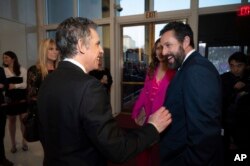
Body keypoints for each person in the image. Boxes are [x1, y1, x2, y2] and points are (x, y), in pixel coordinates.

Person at [37, 17, 172, 166]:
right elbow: (118, 149)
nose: (101, 50)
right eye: (97, 44)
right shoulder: (89, 87)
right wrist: (153, 127)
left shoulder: (48, 80)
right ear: (81, 46)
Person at [159, 21, 223, 166]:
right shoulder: (187, 67)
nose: (163, 52)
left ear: (186, 41)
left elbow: (204, 134)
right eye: (163, 47)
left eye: (168, 45)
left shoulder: (196, 70)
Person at [131, 38, 175, 166]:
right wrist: (138, 111)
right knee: (145, 148)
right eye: (158, 48)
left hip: (164, 116)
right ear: (155, 52)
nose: (160, 51)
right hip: (148, 115)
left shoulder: (174, 72)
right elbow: (144, 93)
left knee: (161, 151)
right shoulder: (151, 70)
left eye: (163, 47)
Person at [220, 52, 250, 160]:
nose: (235, 69)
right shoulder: (224, 79)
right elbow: (220, 100)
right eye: (232, 66)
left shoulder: (248, 80)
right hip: (226, 124)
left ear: (246, 66)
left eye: (239, 65)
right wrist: (234, 90)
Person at [2, 51, 28, 153]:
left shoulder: (22, 69)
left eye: (7, 57)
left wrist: (14, 86)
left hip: (22, 99)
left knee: (23, 121)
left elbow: (25, 85)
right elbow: (3, 86)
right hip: (9, 100)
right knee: (11, 121)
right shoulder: (3, 71)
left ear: (13, 58)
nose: (5, 60)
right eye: (4, 58)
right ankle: (13, 144)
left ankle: (24, 141)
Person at [27, 38, 59, 115]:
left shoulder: (61, 69)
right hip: (42, 112)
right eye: (51, 49)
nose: (55, 52)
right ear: (44, 51)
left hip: (59, 110)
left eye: (57, 49)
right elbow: (31, 95)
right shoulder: (35, 70)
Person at [0, 67, 14, 166]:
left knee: (0, 134)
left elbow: (5, 85)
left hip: (0, 107)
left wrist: (3, 85)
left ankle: (2, 158)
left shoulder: (0, 70)